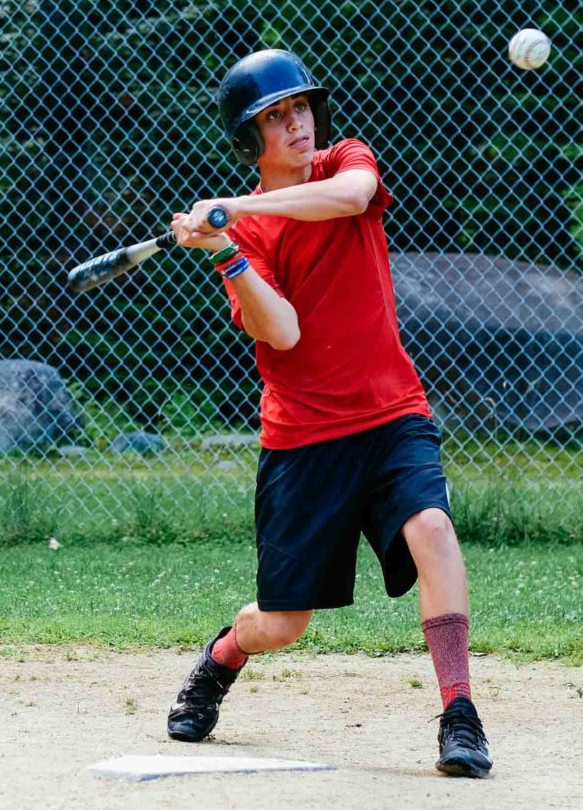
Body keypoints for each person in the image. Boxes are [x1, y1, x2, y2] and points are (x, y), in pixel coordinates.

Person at [162, 49, 492, 778]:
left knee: (432, 528)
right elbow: (282, 332)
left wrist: (234, 207)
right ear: (251, 139)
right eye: (275, 117)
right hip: (304, 439)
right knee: (282, 625)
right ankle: (223, 656)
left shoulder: (346, 161)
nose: (297, 124)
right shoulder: (246, 235)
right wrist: (226, 249)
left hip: (391, 415)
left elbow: (350, 197)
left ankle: (461, 715)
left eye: (300, 108)